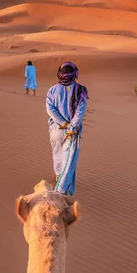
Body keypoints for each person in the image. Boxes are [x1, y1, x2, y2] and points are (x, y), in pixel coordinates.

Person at [46, 61, 89, 196]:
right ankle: (61, 190)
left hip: (56, 129)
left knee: (57, 153)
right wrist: (71, 127)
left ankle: (59, 176)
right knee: (69, 159)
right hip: (72, 131)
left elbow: (50, 109)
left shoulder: (52, 90)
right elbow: (79, 112)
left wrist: (62, 122)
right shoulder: (80, 90)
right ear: (75, 74)